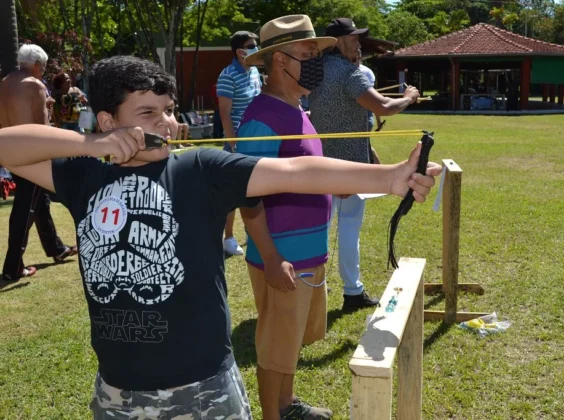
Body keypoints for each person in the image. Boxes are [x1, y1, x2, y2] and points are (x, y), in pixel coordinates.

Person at [0, 54, 440, 419]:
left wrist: (391, 176)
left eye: (170, 110)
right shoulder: (82, 175)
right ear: (107, 119)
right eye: (148, 113)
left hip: (203, 388)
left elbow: (294, 171)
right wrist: (88, 144)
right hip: (117, 391)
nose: (167, 123)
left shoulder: (200, 169)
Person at [236, 15, 338, 420]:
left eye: (316, 54)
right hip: (282, 256)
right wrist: (273, 257)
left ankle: (287, 404)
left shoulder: (297, 109)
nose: (315, 62)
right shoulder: (261, 119)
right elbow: (247, 196)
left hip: (309, 253)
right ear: (279, 60)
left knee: (295, 340)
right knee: (276, 346)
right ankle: (272, 416)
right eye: (307, 55)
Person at [309, 18, 420, 311]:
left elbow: (338, 115)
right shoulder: (351, 73)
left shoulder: (314, 71)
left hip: (318, 160)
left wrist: (368, 149)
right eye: (353, 38)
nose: (359, 43)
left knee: (318, 228)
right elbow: (383, 107)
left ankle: (313, 288)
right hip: (348, 168)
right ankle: (352, 292)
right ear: (336, 42)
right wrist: (408, 98)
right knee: (347, 229)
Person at [0, 44, 77, 282]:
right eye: (43, 66)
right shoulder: (35, 85)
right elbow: (43, 127)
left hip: (8, 147)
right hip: (31, 151)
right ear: (36, 64)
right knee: (26, 206)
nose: (43, 71)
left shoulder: (5, 82)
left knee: (38, 199)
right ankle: (13, 267)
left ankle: (56, 248)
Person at [216, 31, 263, 257]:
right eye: (252, 45)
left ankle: (254, 233)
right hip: (237, 143)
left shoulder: (254, 71)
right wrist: (233, 144)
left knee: (258, 189)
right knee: (233, 193)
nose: (256, 48)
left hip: (258, 140)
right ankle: (228, 238)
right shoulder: (228, 75)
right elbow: (225, 114)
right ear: (239, 51)